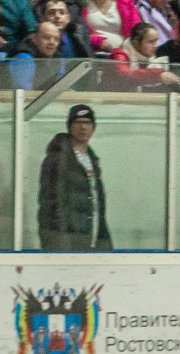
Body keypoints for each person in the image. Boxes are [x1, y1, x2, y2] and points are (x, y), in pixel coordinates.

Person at [38, 104, 113, 251]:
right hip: (69, 245)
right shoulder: (58, 160)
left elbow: (97, 206)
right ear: (69, 126)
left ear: (93, 127)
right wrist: (59, 244)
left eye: (87, 123)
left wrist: (104, 242)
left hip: (91, 242)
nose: (83, 127)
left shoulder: (92, 160)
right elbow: (51, 206)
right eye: (78, 122)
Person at [8, 21, 65, 88]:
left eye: (56, 39)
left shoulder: (58, 58)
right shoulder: (23, 58)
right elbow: (23, 89)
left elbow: (60, 87)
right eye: (46, 37)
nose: (52, 42)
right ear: (34, 38)